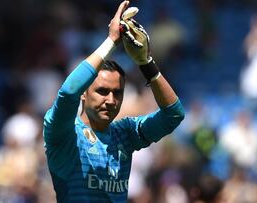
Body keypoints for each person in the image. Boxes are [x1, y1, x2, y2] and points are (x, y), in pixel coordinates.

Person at [43, 1, 185, 202]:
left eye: (117, 93)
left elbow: (174, 114)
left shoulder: (125, 134)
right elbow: (68, 92)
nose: (111, 100)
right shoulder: (63, 133)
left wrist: (145, 62)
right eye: (102, 91)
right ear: (84, 93)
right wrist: (111, 41)